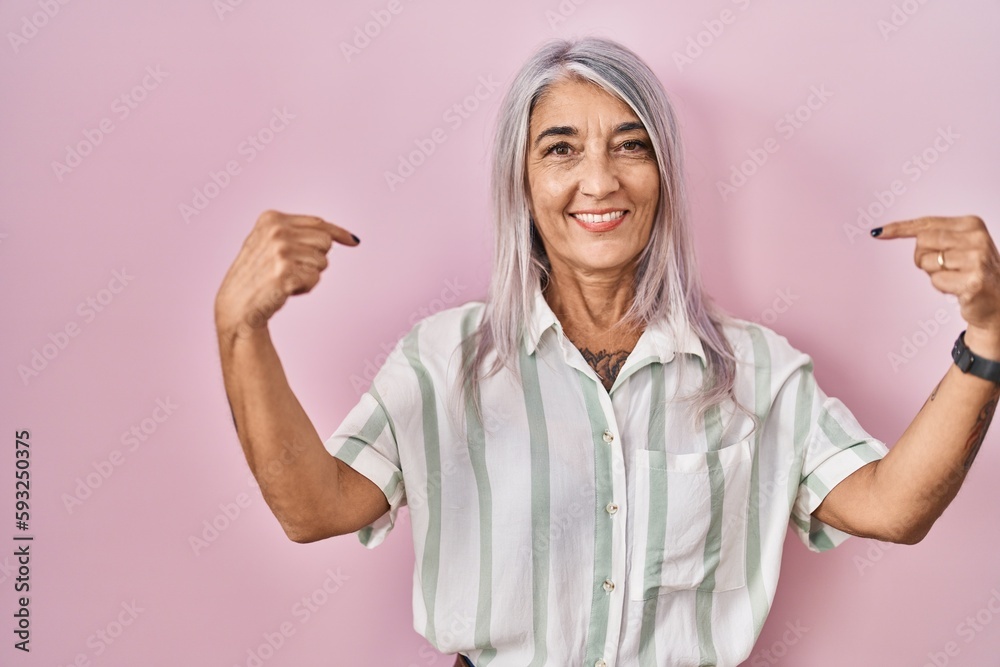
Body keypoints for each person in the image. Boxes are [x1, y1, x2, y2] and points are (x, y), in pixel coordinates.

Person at [214, 36, 1000, 667]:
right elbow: (312, 508)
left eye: (631, 145)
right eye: (560, 149)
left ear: (663, 174)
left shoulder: (757, 372)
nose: (599, 180)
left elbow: (896, 507)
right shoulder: (442, 359)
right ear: (519, 183)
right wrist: (240, 332)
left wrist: (990, 338)